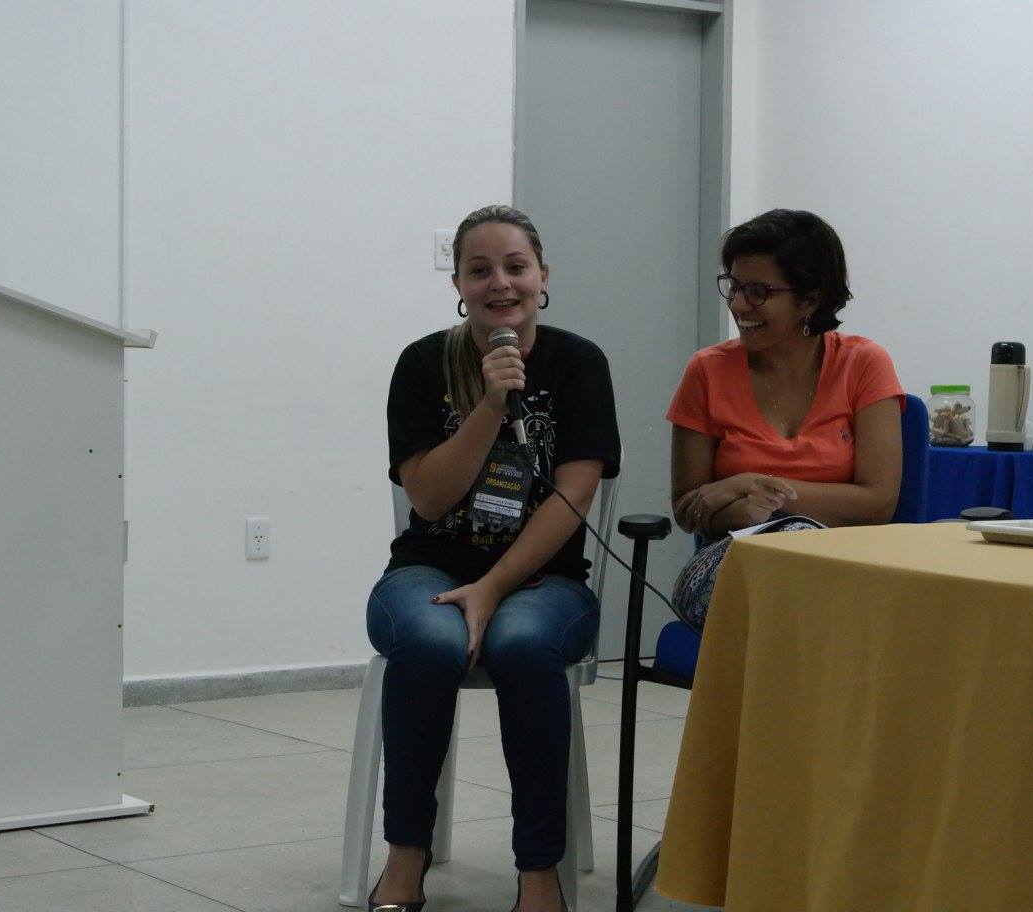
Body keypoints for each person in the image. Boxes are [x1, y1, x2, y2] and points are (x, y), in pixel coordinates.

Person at [366, 205, 620, 912]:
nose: (500, 283)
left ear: (543, 277)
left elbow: (575, 494)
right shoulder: (424, 363)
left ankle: (539, 873)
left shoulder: (579, 363)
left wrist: (494, 586)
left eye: (516, 267)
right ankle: (405, 858)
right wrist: (488, 404)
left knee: (525, 646)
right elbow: (427, 497)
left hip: (547, 581)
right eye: (480, 270)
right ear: (458, 284)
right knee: (427, 643)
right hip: (428, 568)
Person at [667, 208, 904, 631]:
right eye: (734, 286)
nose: (738, 304)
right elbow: (688, 509)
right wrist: (743, 511)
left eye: (758, 291)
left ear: (810, 299)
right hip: (731, 564)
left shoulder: (864, 363)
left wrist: (751, 487)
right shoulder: (706, 370)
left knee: (807, 589)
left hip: (838, 563)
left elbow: (878, 503)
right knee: (799, 591)